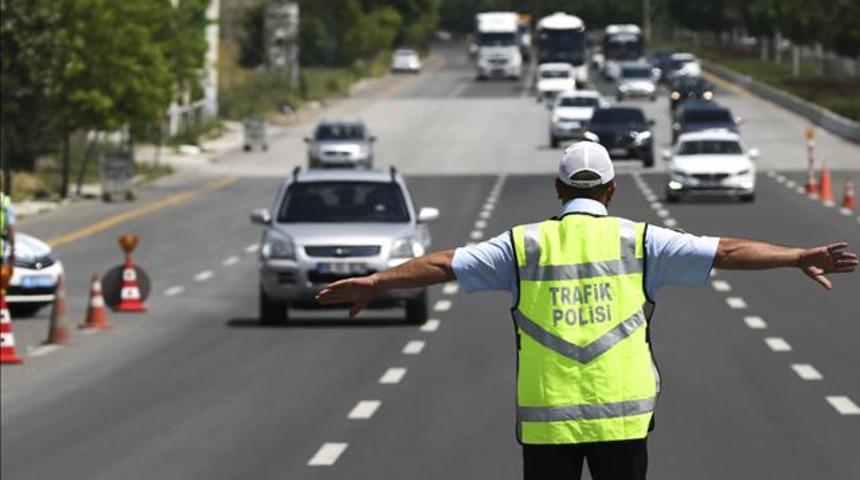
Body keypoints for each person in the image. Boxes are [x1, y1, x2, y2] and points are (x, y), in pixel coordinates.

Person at [315, 142, 858, 480]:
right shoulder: (641, 240)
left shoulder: (521, 245)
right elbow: (726, 251)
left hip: (547, 422)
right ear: (612, 190)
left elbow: (441, 264)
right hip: (624, 418)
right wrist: (796, 257)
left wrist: (377, 279)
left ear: (557, 189)